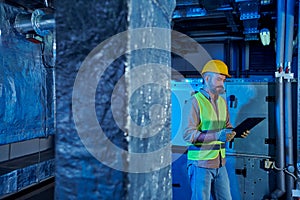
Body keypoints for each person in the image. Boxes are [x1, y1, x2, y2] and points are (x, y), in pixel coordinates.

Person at [182, 59, 249, 200]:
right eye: (219, 79)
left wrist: (237, 133)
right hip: (200, 164)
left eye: (224, 80)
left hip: (220, 163)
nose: (222, 84)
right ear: (207, 78)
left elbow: (227, 126)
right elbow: (189, 135)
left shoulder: (222, 101)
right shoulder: (194, 102)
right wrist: (217, 136)